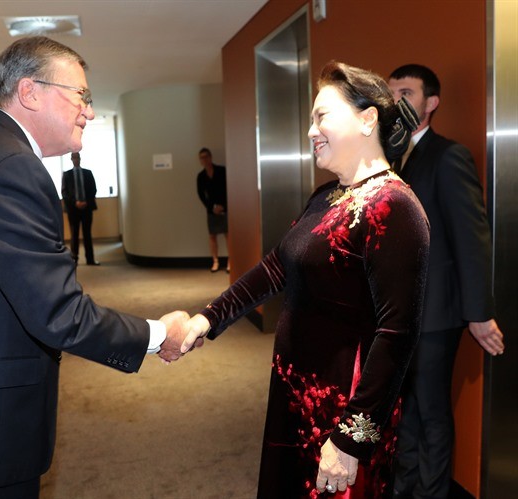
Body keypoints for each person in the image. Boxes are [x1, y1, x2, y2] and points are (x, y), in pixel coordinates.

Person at [0, 36, 190, 499]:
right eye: (81, 95)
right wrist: (158, 335)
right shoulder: (9, 167)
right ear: (30, 92)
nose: (89, 110)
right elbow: (59, 312)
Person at [181, 61, 430, 498]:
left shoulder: (396, 207)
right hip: (296, 395)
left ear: (367, 118)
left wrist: (352, 439)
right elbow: (277, 266)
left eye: (321, 117)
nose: (310, 131)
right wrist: (208, 319)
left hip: (340, 414)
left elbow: (397, 334)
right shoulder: (327, 195)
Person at [388, 64, 505, 499]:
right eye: (390, 90)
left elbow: (472, 238)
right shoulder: (389, 158)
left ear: (430, 103)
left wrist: (479, 313)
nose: (395, 99)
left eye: (405, 91)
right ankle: (404, 488)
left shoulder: (448, 155)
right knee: (405, 410)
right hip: (398, 310)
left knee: (432, 412)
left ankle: (431, 494)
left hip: (437, 313)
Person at [61, 151, 99, 265]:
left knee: (87, 234)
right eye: (74, 157)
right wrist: (75, 203)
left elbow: (93, 189)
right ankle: (74, 259)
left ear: (80, 158)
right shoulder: (67, 175)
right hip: (73, 210)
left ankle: (90, 259)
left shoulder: (88, 173)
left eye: (77, 157)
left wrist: (85, 201)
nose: (76, 159)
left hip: (87, 208)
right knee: (74, 234)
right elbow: (64, 193)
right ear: (71, 159)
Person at [196, 147, 230, 272]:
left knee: (228, 235)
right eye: (201, 158)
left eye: (206, 157)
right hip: (211, 210)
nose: (204, 160)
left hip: (225, 207)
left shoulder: (222, 171)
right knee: (212, 236)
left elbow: (228, 188)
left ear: (210, 157)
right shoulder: (200, 176)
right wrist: (212, 207)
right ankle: (215, 261)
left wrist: (223, 206)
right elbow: (201, 195)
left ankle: (230, 261)